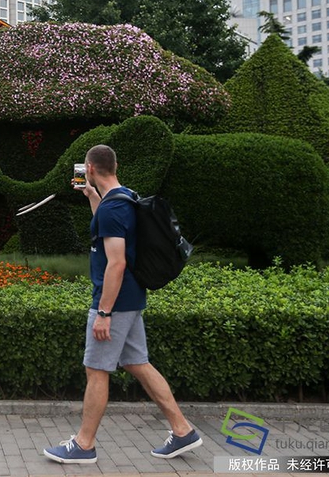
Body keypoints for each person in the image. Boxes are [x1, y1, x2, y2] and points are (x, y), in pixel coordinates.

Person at [43, 144, 202, 464]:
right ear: (113, 167)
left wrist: (103, 312)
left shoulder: (113, 209)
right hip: (131, 298)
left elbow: (115, 263)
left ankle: (84, 444)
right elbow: (110, 236)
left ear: (89, 168)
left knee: (97, 369)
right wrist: (91, 198)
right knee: (137, 363)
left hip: (115, 303)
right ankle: (183, 430)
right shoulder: (122, 197)